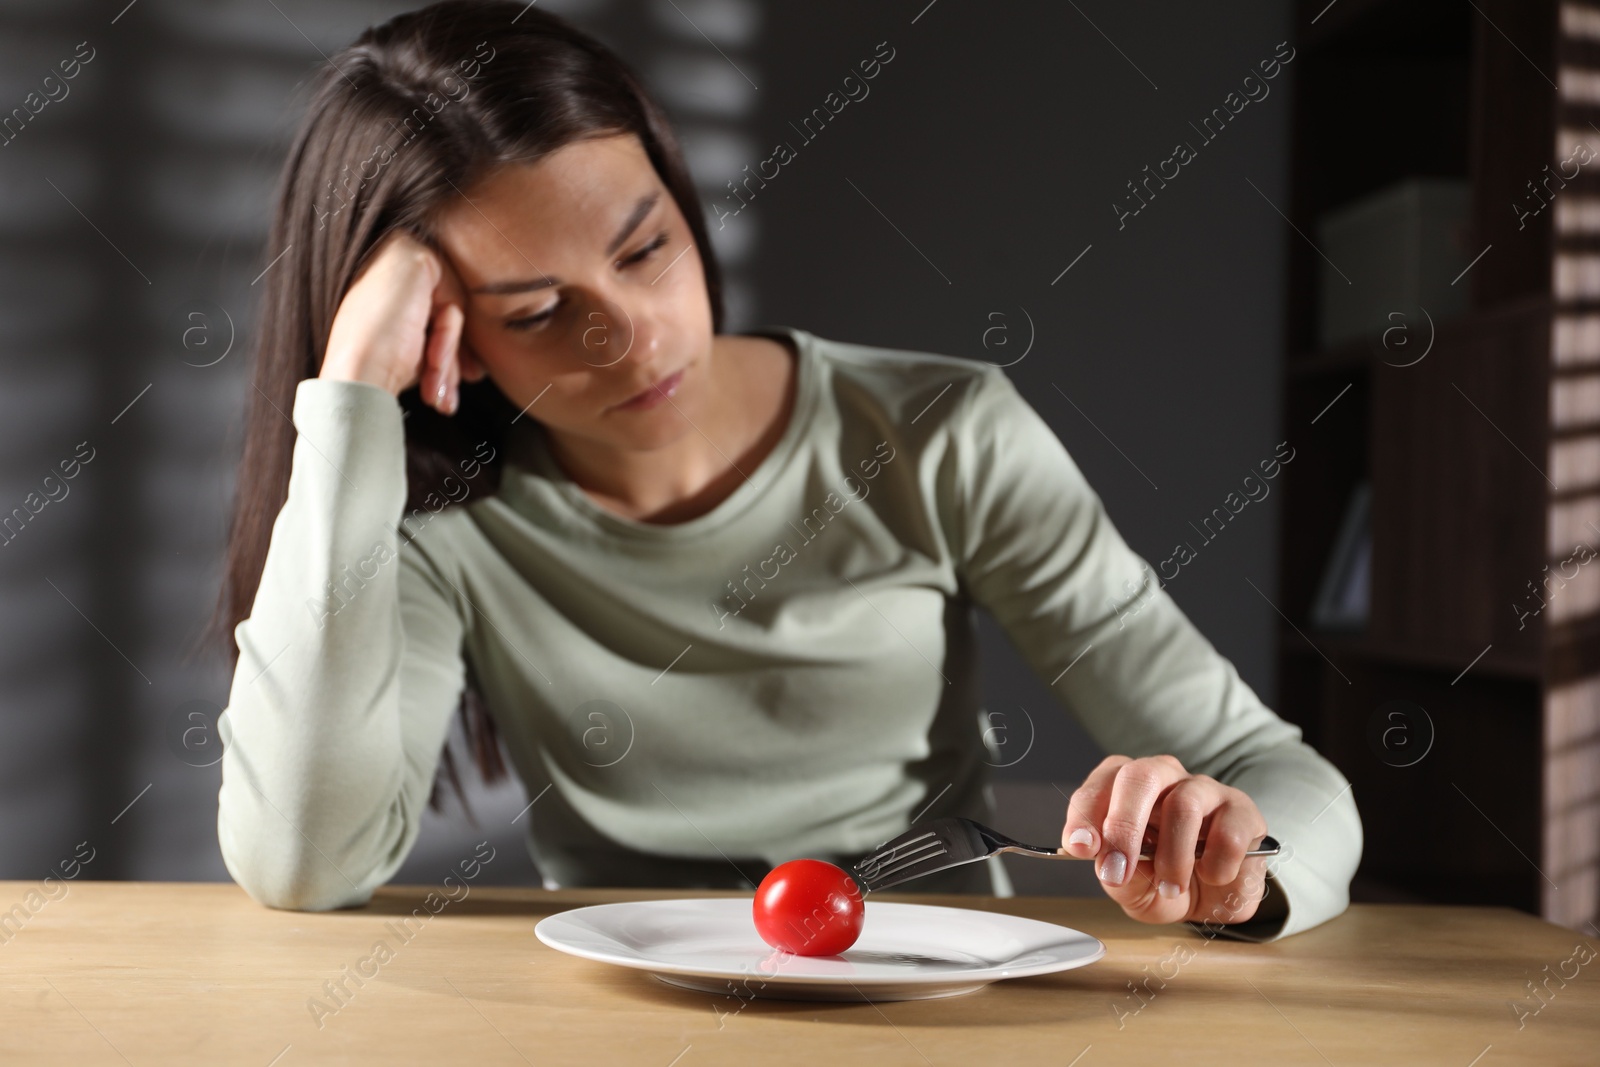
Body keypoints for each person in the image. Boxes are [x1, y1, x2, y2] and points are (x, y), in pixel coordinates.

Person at [214, 0, 1360, 942]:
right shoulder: (426, 521)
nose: (635, 337)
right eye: (541, 311)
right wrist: (354, 402)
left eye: (646, 247)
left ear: (680, 194)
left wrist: (1238, 871)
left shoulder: (938, 431)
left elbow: (1276, 774)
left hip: (937, 1010)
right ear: (444, 335)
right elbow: (305, 865)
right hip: (620, 1017)